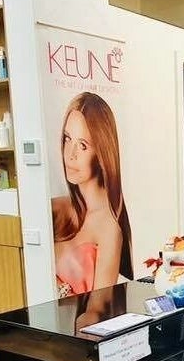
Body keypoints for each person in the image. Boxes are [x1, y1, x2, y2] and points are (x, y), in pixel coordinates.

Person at [52, 92, 133, 297]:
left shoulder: (109, 227)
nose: (70, 155)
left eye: (83, 145)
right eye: (67, 139)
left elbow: (99, 310)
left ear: (101, 152)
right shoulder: (55, 210)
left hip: (76, 326)